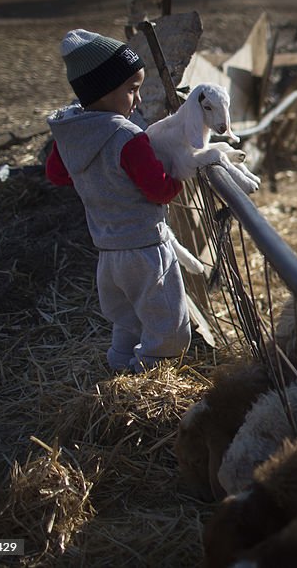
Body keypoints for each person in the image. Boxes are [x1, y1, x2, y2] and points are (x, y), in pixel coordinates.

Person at [45, 28, 190, 372]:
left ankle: (120, 367)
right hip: (145, 249)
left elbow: (58, 175)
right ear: (105, 90)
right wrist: (179, 176)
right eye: (132, 90)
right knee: (168, 326)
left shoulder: (72, 132)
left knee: (127, 321)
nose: (137, 100)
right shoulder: (127, 135)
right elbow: (158, 189)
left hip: (108, 253)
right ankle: (149, 380)